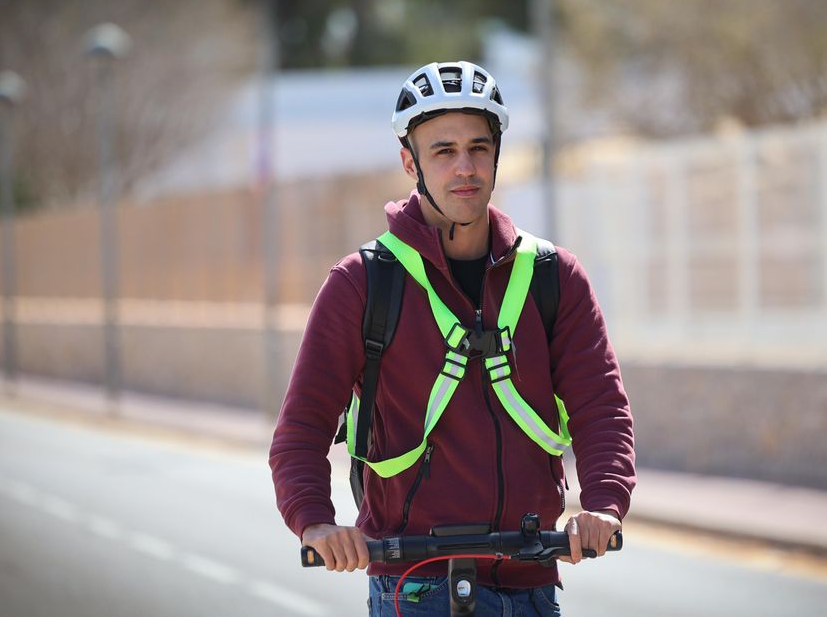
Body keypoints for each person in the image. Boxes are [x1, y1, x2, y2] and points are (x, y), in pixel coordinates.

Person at [269, 60, 636, 616]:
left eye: (479, 147)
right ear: (409, 162)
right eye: (443, 151)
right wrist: (315, 522)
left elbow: (601, 405)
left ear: (497, 154)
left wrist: (604, 502)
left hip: (532, 581)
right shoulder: (363, 283)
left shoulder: (552, 276)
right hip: (414, 584)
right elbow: (302, 427)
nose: (465, 167)